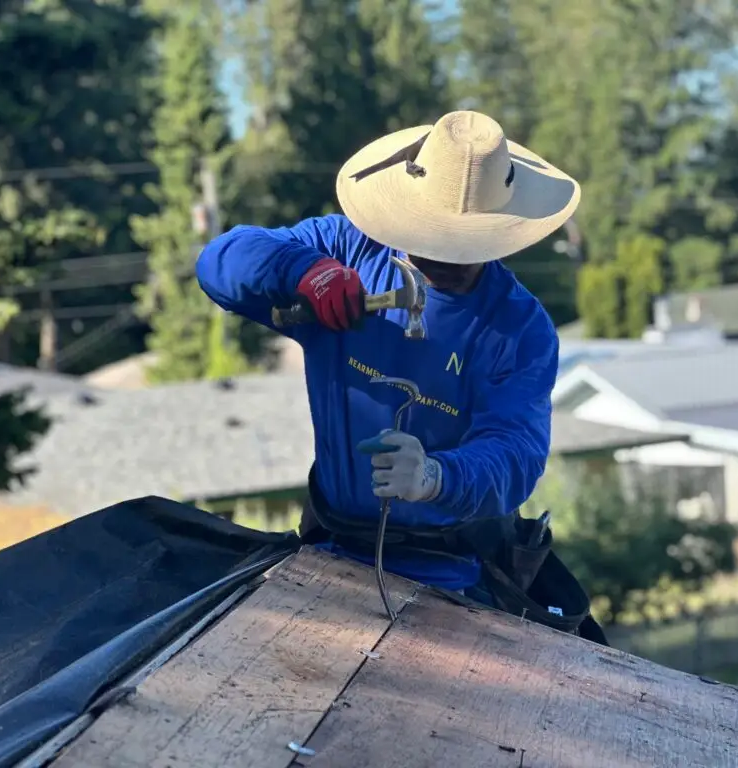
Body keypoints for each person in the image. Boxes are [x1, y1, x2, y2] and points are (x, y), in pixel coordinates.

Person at [195, 110, 602, 639]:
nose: (448, 257)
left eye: (467, 244)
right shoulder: (345, 250)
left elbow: (516, 453)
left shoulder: (518, 328)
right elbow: (220, 259)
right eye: (438, 238)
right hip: (330, 550)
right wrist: (302, 272)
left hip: (455, 577)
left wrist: (435, 477)